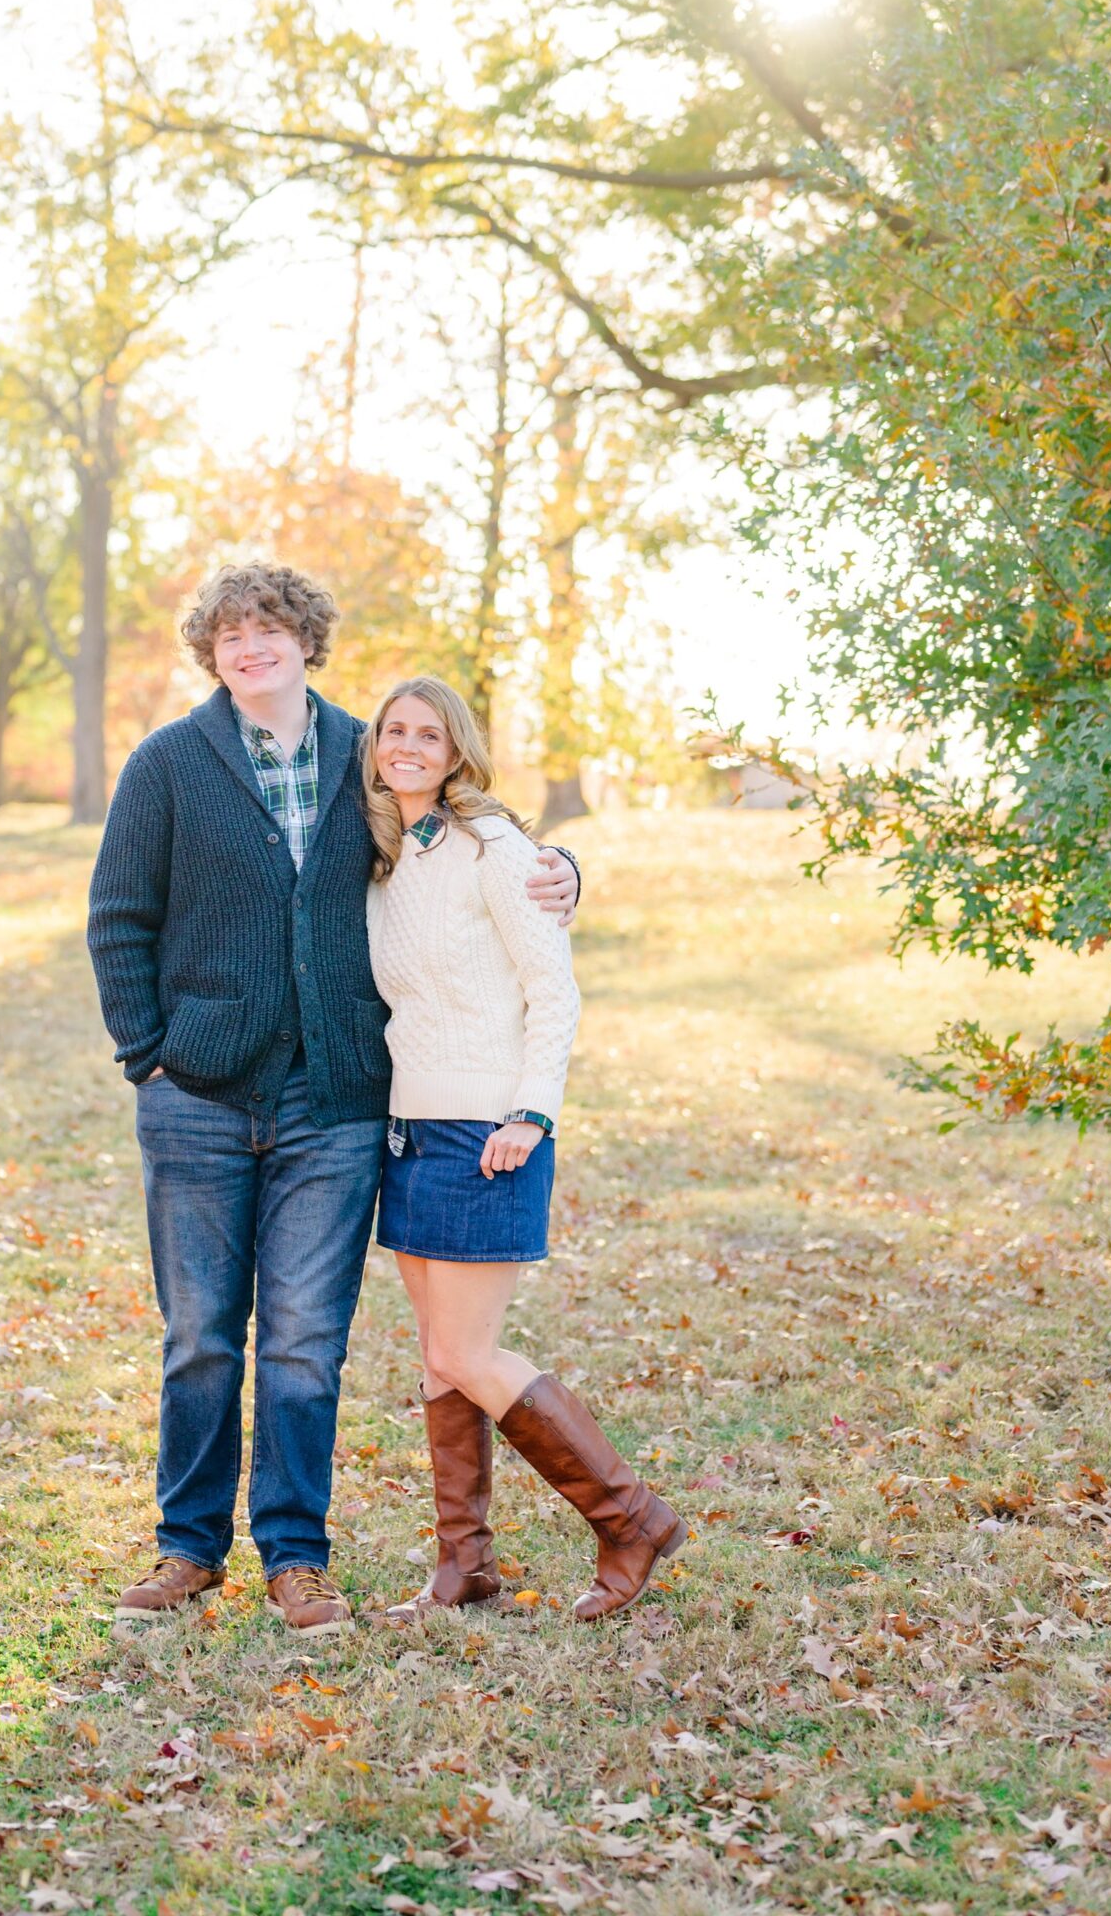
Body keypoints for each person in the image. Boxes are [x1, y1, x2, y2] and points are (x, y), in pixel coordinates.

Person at [86, 563, 580, 1634]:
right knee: (201, 1338)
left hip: (338, 1104)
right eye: (226, 634)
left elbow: (479, 836)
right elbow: (117, 917)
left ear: (305, 638)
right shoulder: (167, 763)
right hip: (198, 1099)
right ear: (209, 653)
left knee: (306, 1340)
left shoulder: (370, 752)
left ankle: (295, 1556)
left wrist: (565, 869)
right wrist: (149, 1057)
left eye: (267, 627)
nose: (248, 645)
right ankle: (187, 1549)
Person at [364, 676, 686, 1623]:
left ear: (457, 750)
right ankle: (463, 1569)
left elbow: (555, 993)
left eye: (429, 733)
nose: (409, 746)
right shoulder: (386, 855)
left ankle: (629, 1518)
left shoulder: (497, 850)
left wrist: (530, 1115)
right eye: (394, 731)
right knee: (437, 1356)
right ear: (376, 746)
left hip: (487, 1131)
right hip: (408, 1127)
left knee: (467, 1349)